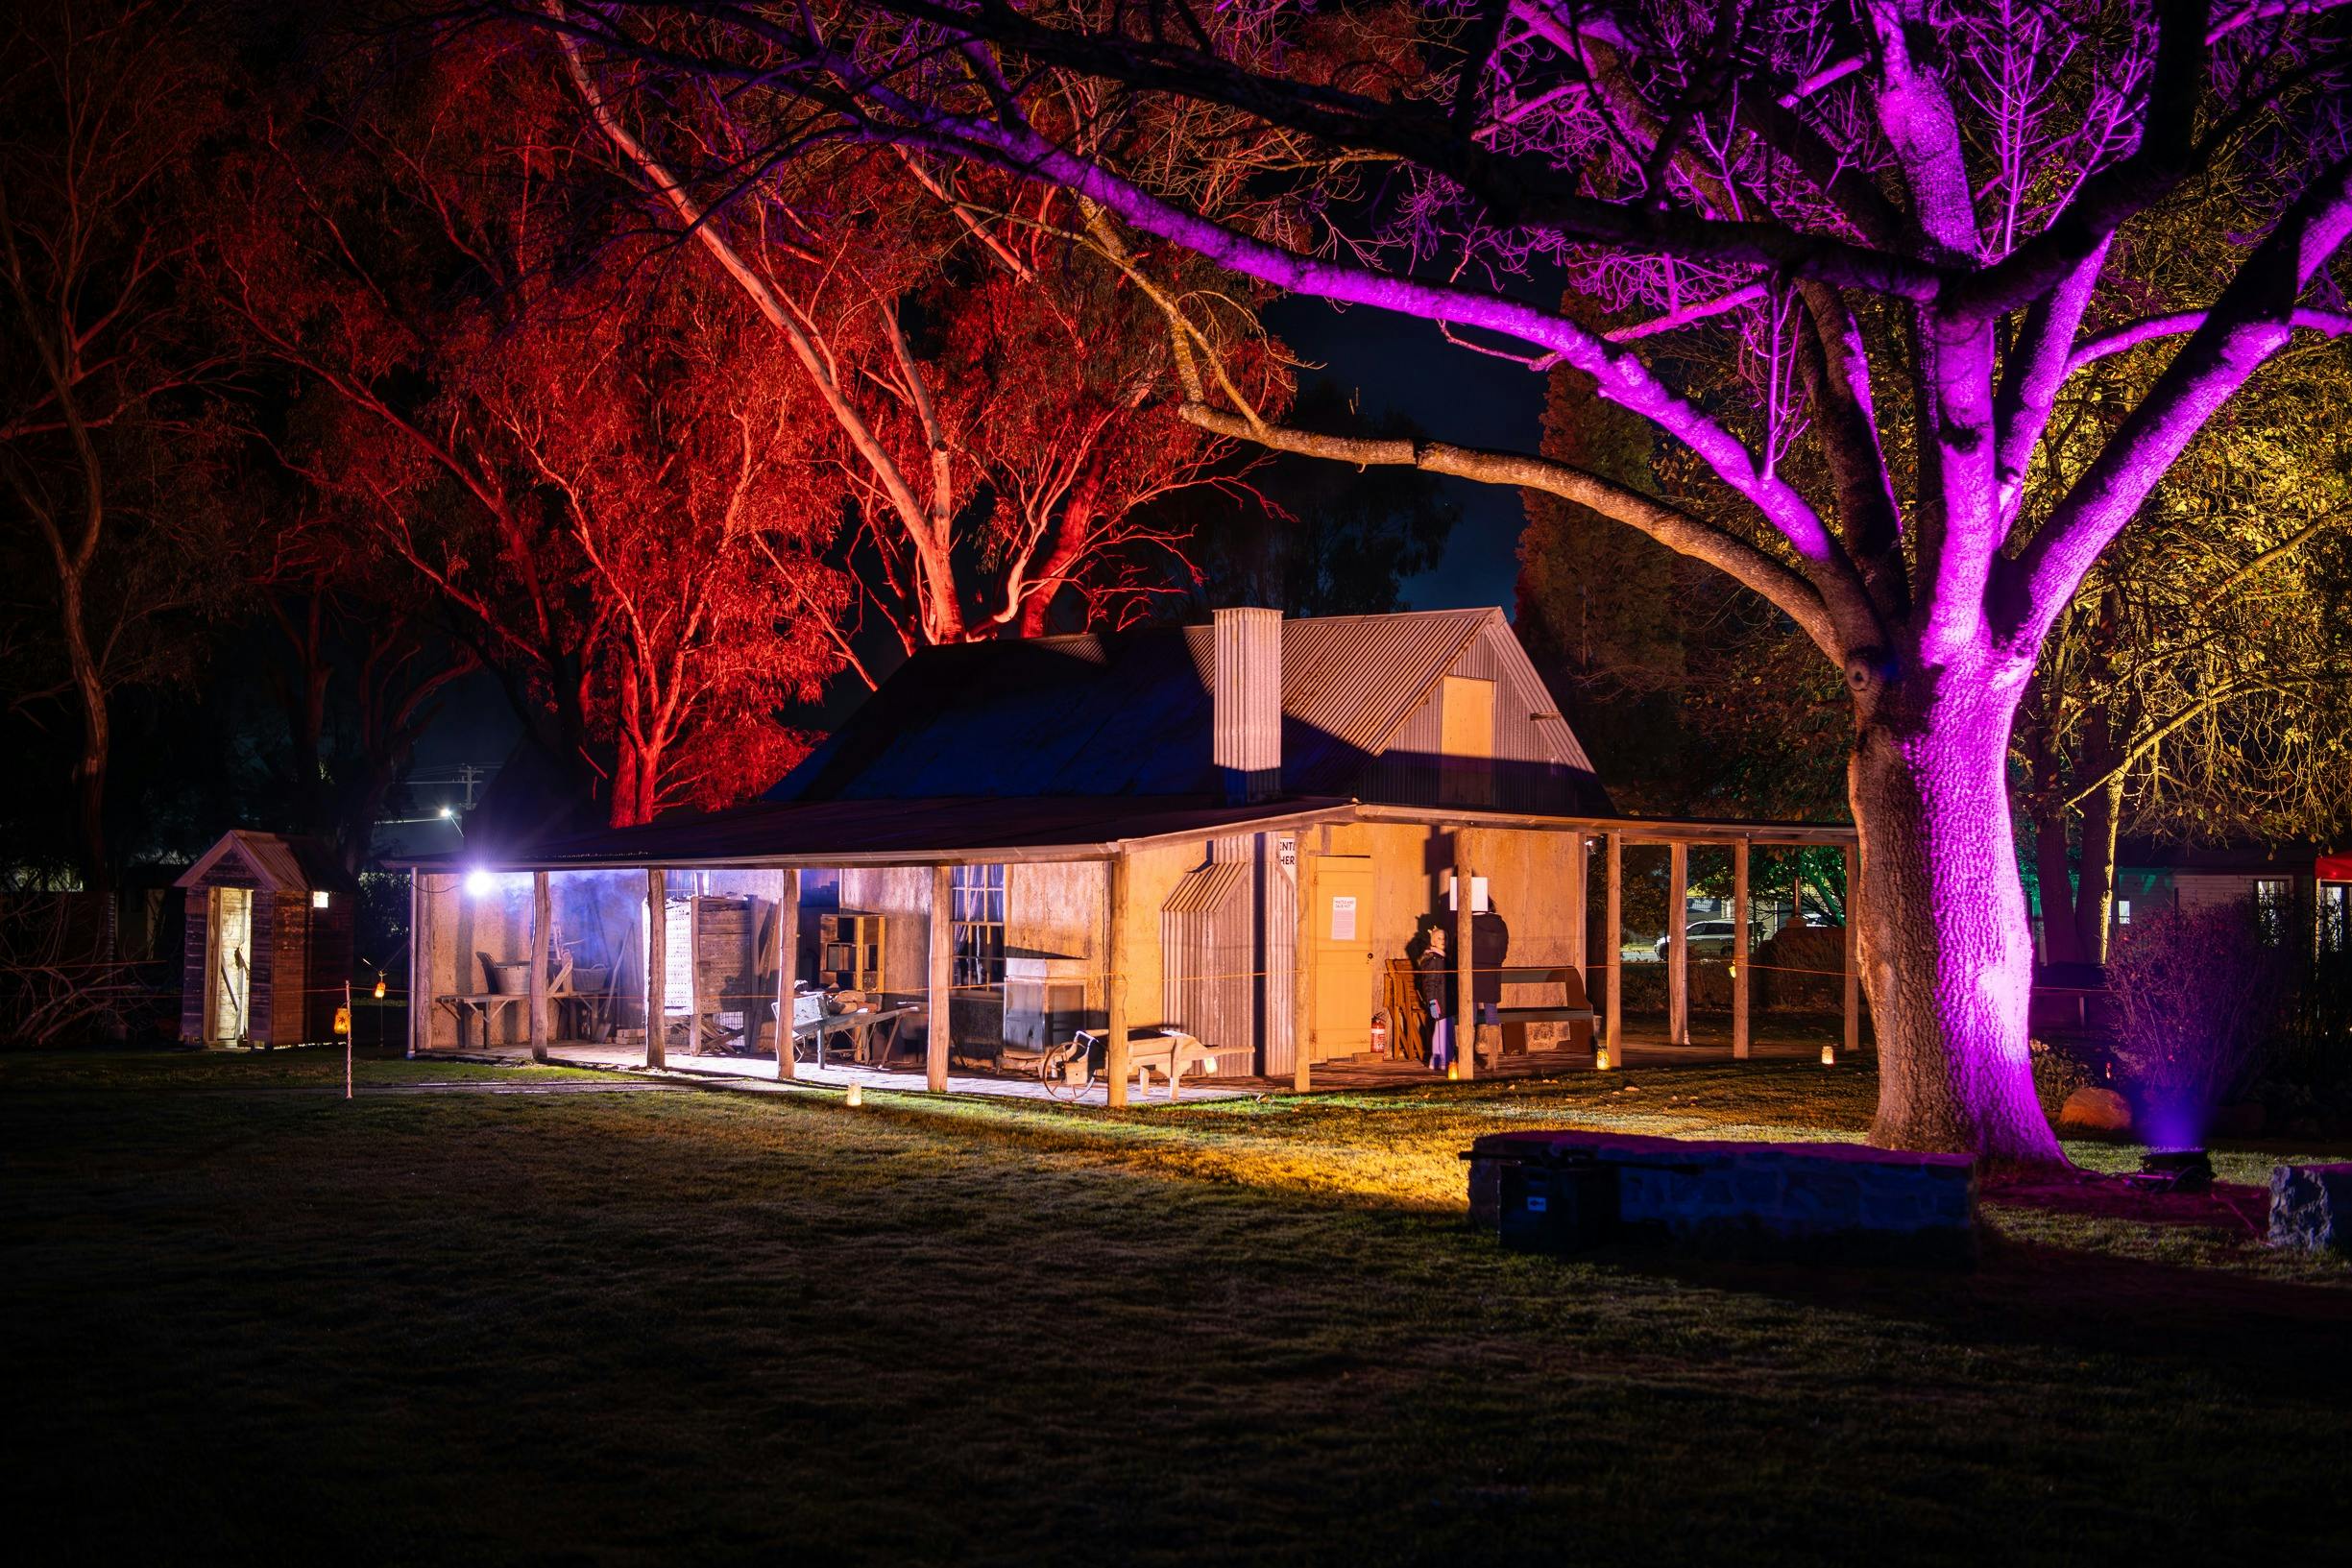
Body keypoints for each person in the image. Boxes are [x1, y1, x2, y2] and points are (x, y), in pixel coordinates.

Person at [1415, 924, 1454, 1072]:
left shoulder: (1443, 959)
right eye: (1439, 938)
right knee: (1442, 1032)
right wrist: (1432, 1001)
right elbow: (1429, 983)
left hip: (1446, 1001)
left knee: (1446, 1030)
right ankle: (1441, 1060)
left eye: (1445, 938)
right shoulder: (1434, 960)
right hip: (1440, 1001)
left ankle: (1443, 1058)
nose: (1443, 940)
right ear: (1433, 941)